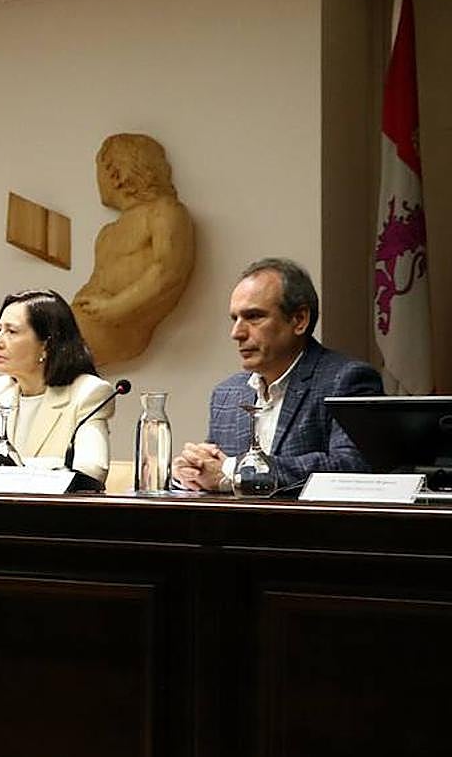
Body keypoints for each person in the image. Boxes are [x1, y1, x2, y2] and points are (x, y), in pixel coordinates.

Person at [171, 258, 383, 493]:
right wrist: (191, 472)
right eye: (235, 318)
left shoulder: (347, 380)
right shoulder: (226, 394)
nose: (236, 333)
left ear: (299, 320)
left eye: (253, 317)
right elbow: (215, 474)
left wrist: (234, 470)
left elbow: (352, 469)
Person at [72, 133, 195, 366]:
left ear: (116, 174)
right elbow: (98, 281)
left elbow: (168, 272)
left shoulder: (164, 211)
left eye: (99, 172)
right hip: (91, 319)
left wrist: (114, 308)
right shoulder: (107, 233)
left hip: (120, 327)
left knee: (29, 340)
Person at [0, 289, 114, 485]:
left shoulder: (88, 393)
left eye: (11, 331)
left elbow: (92, 471)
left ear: (46, 345)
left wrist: (11, 469)